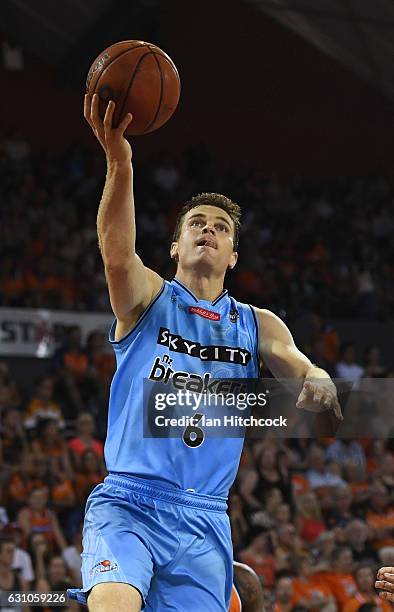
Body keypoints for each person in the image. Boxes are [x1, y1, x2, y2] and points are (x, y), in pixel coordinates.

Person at [67, 93, 343, 612]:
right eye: (197, 222)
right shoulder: (149, 298)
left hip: (204, 518)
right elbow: (115, 251)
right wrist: (120, 161)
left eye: (220, 226)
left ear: (234, 254)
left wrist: (319, 376)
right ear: (175, 247)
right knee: (113, 605)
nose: (208, 229)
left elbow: (300, 365)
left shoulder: (257, 324)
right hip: (130, 501)